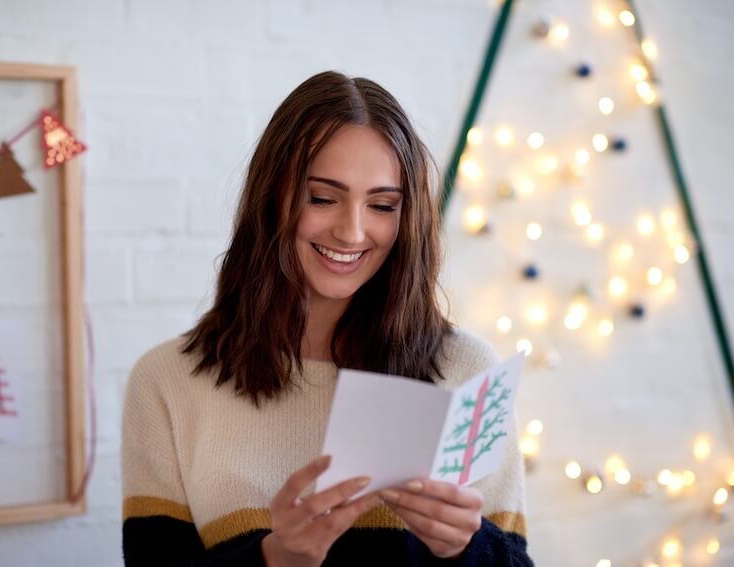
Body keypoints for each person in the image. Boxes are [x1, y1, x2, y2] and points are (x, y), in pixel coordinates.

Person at [121, 70, 533, 566]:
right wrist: (272, 559)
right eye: (322, 198)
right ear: (272, 197)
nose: (352, 231)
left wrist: (467, 548)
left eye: (382, 205)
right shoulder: (168, 382)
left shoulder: (467, 371)